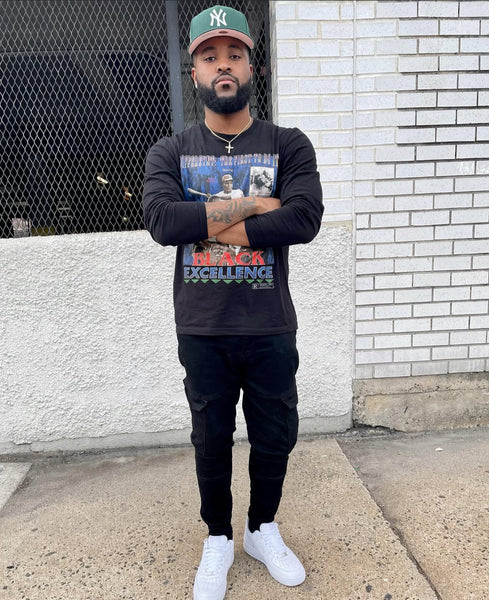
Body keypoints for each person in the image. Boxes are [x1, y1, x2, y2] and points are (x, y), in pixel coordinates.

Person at [142, 5, 323, 600]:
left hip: (269, 323)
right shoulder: (169, 151)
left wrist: (208, 218)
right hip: (203, 326)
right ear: (194, 71)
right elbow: (163, 222)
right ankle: (218, 536)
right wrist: (258, 206)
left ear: (252, 67)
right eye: (210, 56)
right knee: (211, 438)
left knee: (276, 434)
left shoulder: (287, 144)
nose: (223, 65)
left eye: (234, 55)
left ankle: (261, 528)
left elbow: (303, 218)